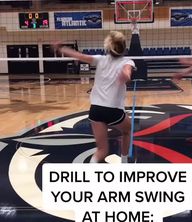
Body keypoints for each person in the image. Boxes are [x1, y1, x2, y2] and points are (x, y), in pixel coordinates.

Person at [52, 31, 135, 162]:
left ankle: (92, 168)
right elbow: (127, 71)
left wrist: (61, 48)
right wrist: (126, 75)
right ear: (124, 47)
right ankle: (124, 161)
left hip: (96, 110)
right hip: (113, 110)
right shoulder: (127, 61)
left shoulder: (100, 59)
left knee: (102, 150)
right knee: (127, 130)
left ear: (108, 47)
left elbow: (78, 55)